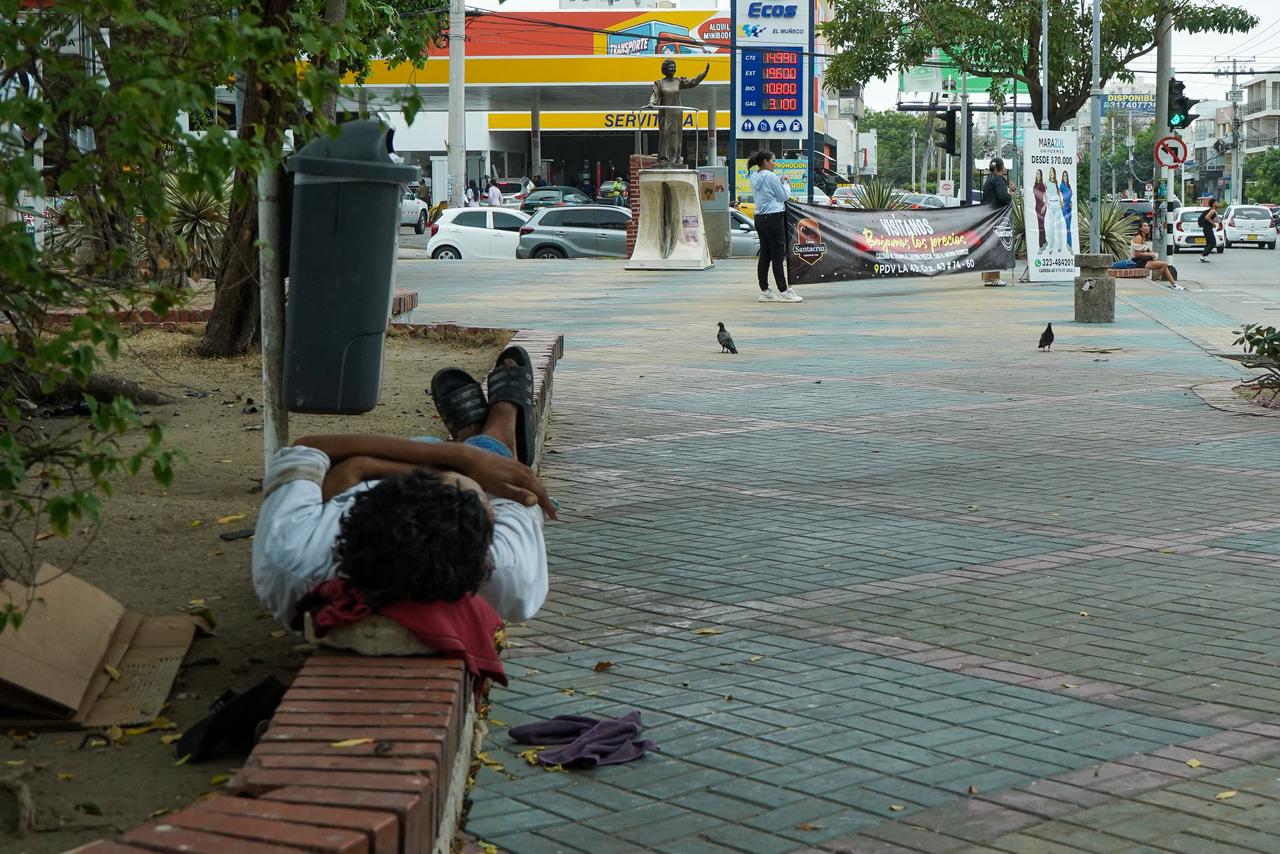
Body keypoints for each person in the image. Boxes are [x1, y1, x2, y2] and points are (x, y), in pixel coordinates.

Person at [252, 350, 554, 629]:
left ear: (360, 507)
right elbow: (515, 486)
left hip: (376, 469)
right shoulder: (507, 570)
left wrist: (362, 468)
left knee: (438, 451)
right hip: (376, 470)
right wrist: (472, 459)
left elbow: (307, 448)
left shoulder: (291, 554)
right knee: (495, 457)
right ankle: (499, 430)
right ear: (488, 538)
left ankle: (469, 438)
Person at [746, 150, 802, 303]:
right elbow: (783, 196)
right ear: (765, 161)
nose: (774, 163)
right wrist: (785, 183)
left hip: (760, 218)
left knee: (765, 255)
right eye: (773, 160)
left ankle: (765, 290)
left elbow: (767, 190)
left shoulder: (754, 176)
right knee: (778, 255)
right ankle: (784, 291)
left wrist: (778, 180)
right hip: (774, 218)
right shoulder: (770, 176)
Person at [649, 58, 710, 165]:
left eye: (674, 67)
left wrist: (704, 74)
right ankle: (663, 158)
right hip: (665, 113)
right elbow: (655, 95)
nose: (673, 69)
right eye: (671, 67)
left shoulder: (678, 81)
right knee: (665, 133)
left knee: (676, 134)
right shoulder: (660, 83)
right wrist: (651, 102)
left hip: (677, 113)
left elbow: (693, 82)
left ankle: (676, 157)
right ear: (665, 69)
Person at [1043, 167, 1066, 253]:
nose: (1051, 173)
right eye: (1050, 172)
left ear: (1055, 173)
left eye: (1052, 171)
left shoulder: (1057, 182)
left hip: (1057, 205)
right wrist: (1045, 201)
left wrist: (1061, 201)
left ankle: (1060, 246)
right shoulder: (1046, 182)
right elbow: (1044, 192)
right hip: (1050, 205)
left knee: (1058, 226)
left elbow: (1059, 193)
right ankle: (1051, 247)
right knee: (1050, 227)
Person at [1199, 197, 1219, 262]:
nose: (1218, 203)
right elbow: (1207, 217)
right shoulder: (1213, 210)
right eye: (1216, 202)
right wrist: (1213, 224)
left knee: (1208, 243)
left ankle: (1204, 256)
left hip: (1206, 228)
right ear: (1213, 204)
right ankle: (1203, 255)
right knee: (1213, 243)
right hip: (1208, 229)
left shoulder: (1211, 210)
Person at [1032, 169, 1047, 248]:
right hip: (1037, 206)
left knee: (1041, 225)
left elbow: (1046, 196)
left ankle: (1041, 245)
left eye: (1039, 174)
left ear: (1041, 176)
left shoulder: (1041, 185)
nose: (1038, 175)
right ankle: (1044, 241)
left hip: (1041, 206)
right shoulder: (1035, 184)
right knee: (1040, 226)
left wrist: (1044, 206)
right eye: (1037, 174)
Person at [1060, 171, 1074, 250]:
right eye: (1064, 176)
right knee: (1068, 226)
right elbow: (1057, 193)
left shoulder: (1068, 185)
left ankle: (1069, 244)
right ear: (1062, 177)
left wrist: (1071, 202)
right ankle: (1069, 244)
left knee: (1069, 227)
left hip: (1069, 207)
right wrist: (1061, 201)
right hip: (1065, 207)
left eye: (1066, 176)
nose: (1065, 177)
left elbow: (1069, 196)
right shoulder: (1061, 185)